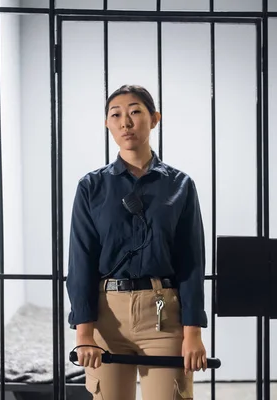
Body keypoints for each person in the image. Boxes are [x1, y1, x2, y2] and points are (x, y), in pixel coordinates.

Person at [66, 84, 208, 400]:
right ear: (107, 124)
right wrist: (85, 333)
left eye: (135, 112)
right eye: (116, 115)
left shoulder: (179, 185)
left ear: (154, 119)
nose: (125, 122)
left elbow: (192, 262)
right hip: (107, 319)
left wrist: (193, 332)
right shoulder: (91, 187)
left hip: (164, 316)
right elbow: (81, 260)